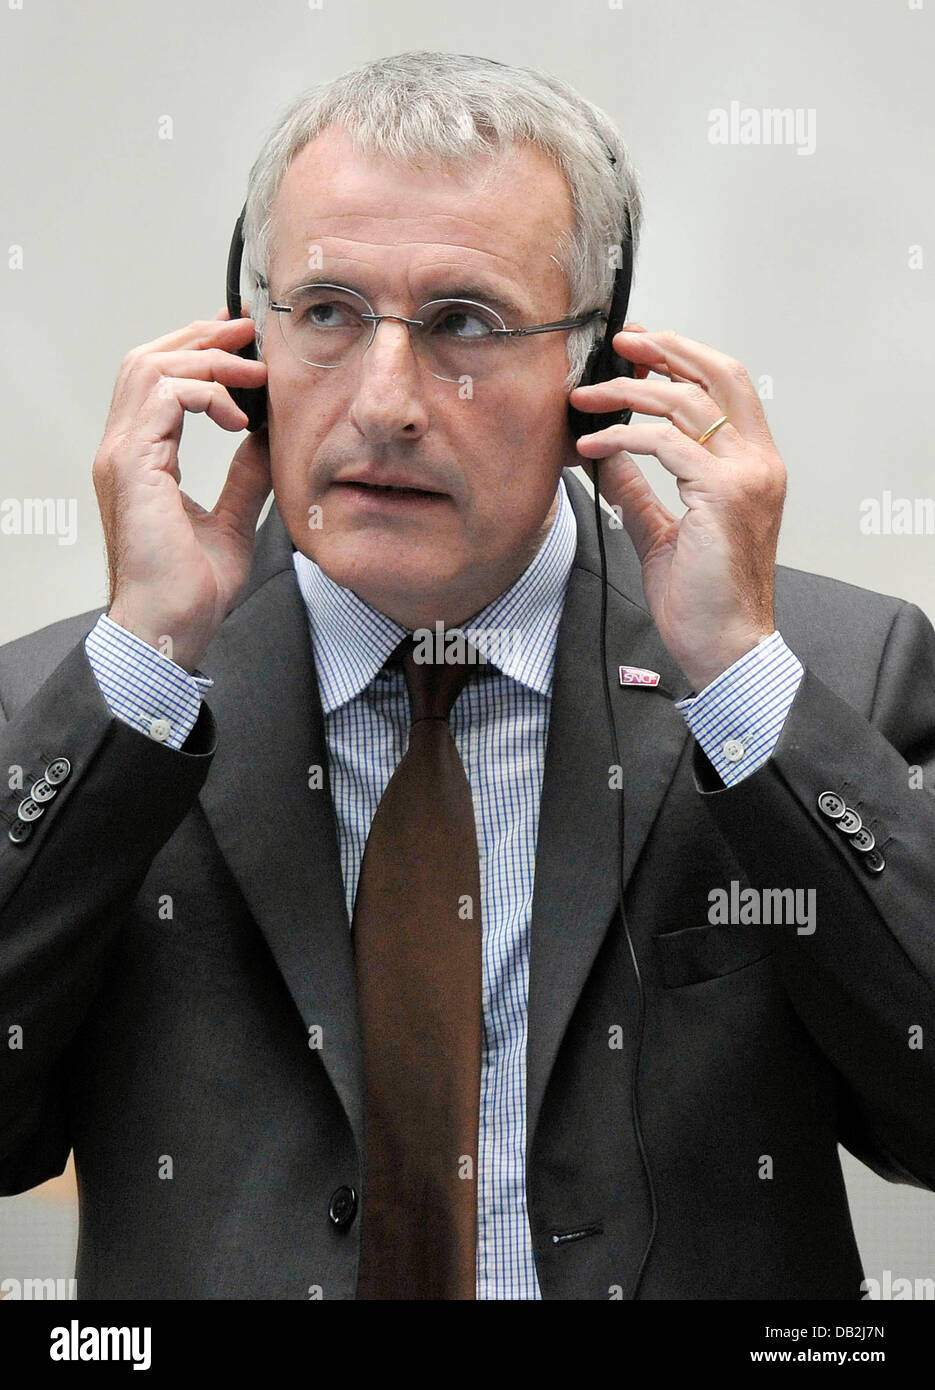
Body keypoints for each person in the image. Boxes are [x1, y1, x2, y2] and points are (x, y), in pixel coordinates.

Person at [1, 50, 933, 1301]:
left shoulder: (828, 676)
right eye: (326, 310)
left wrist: (738, 679)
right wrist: (144, 660)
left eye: (464, 323)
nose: (385, 402)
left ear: (595, 373)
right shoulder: (81, 704)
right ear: (245, 343)